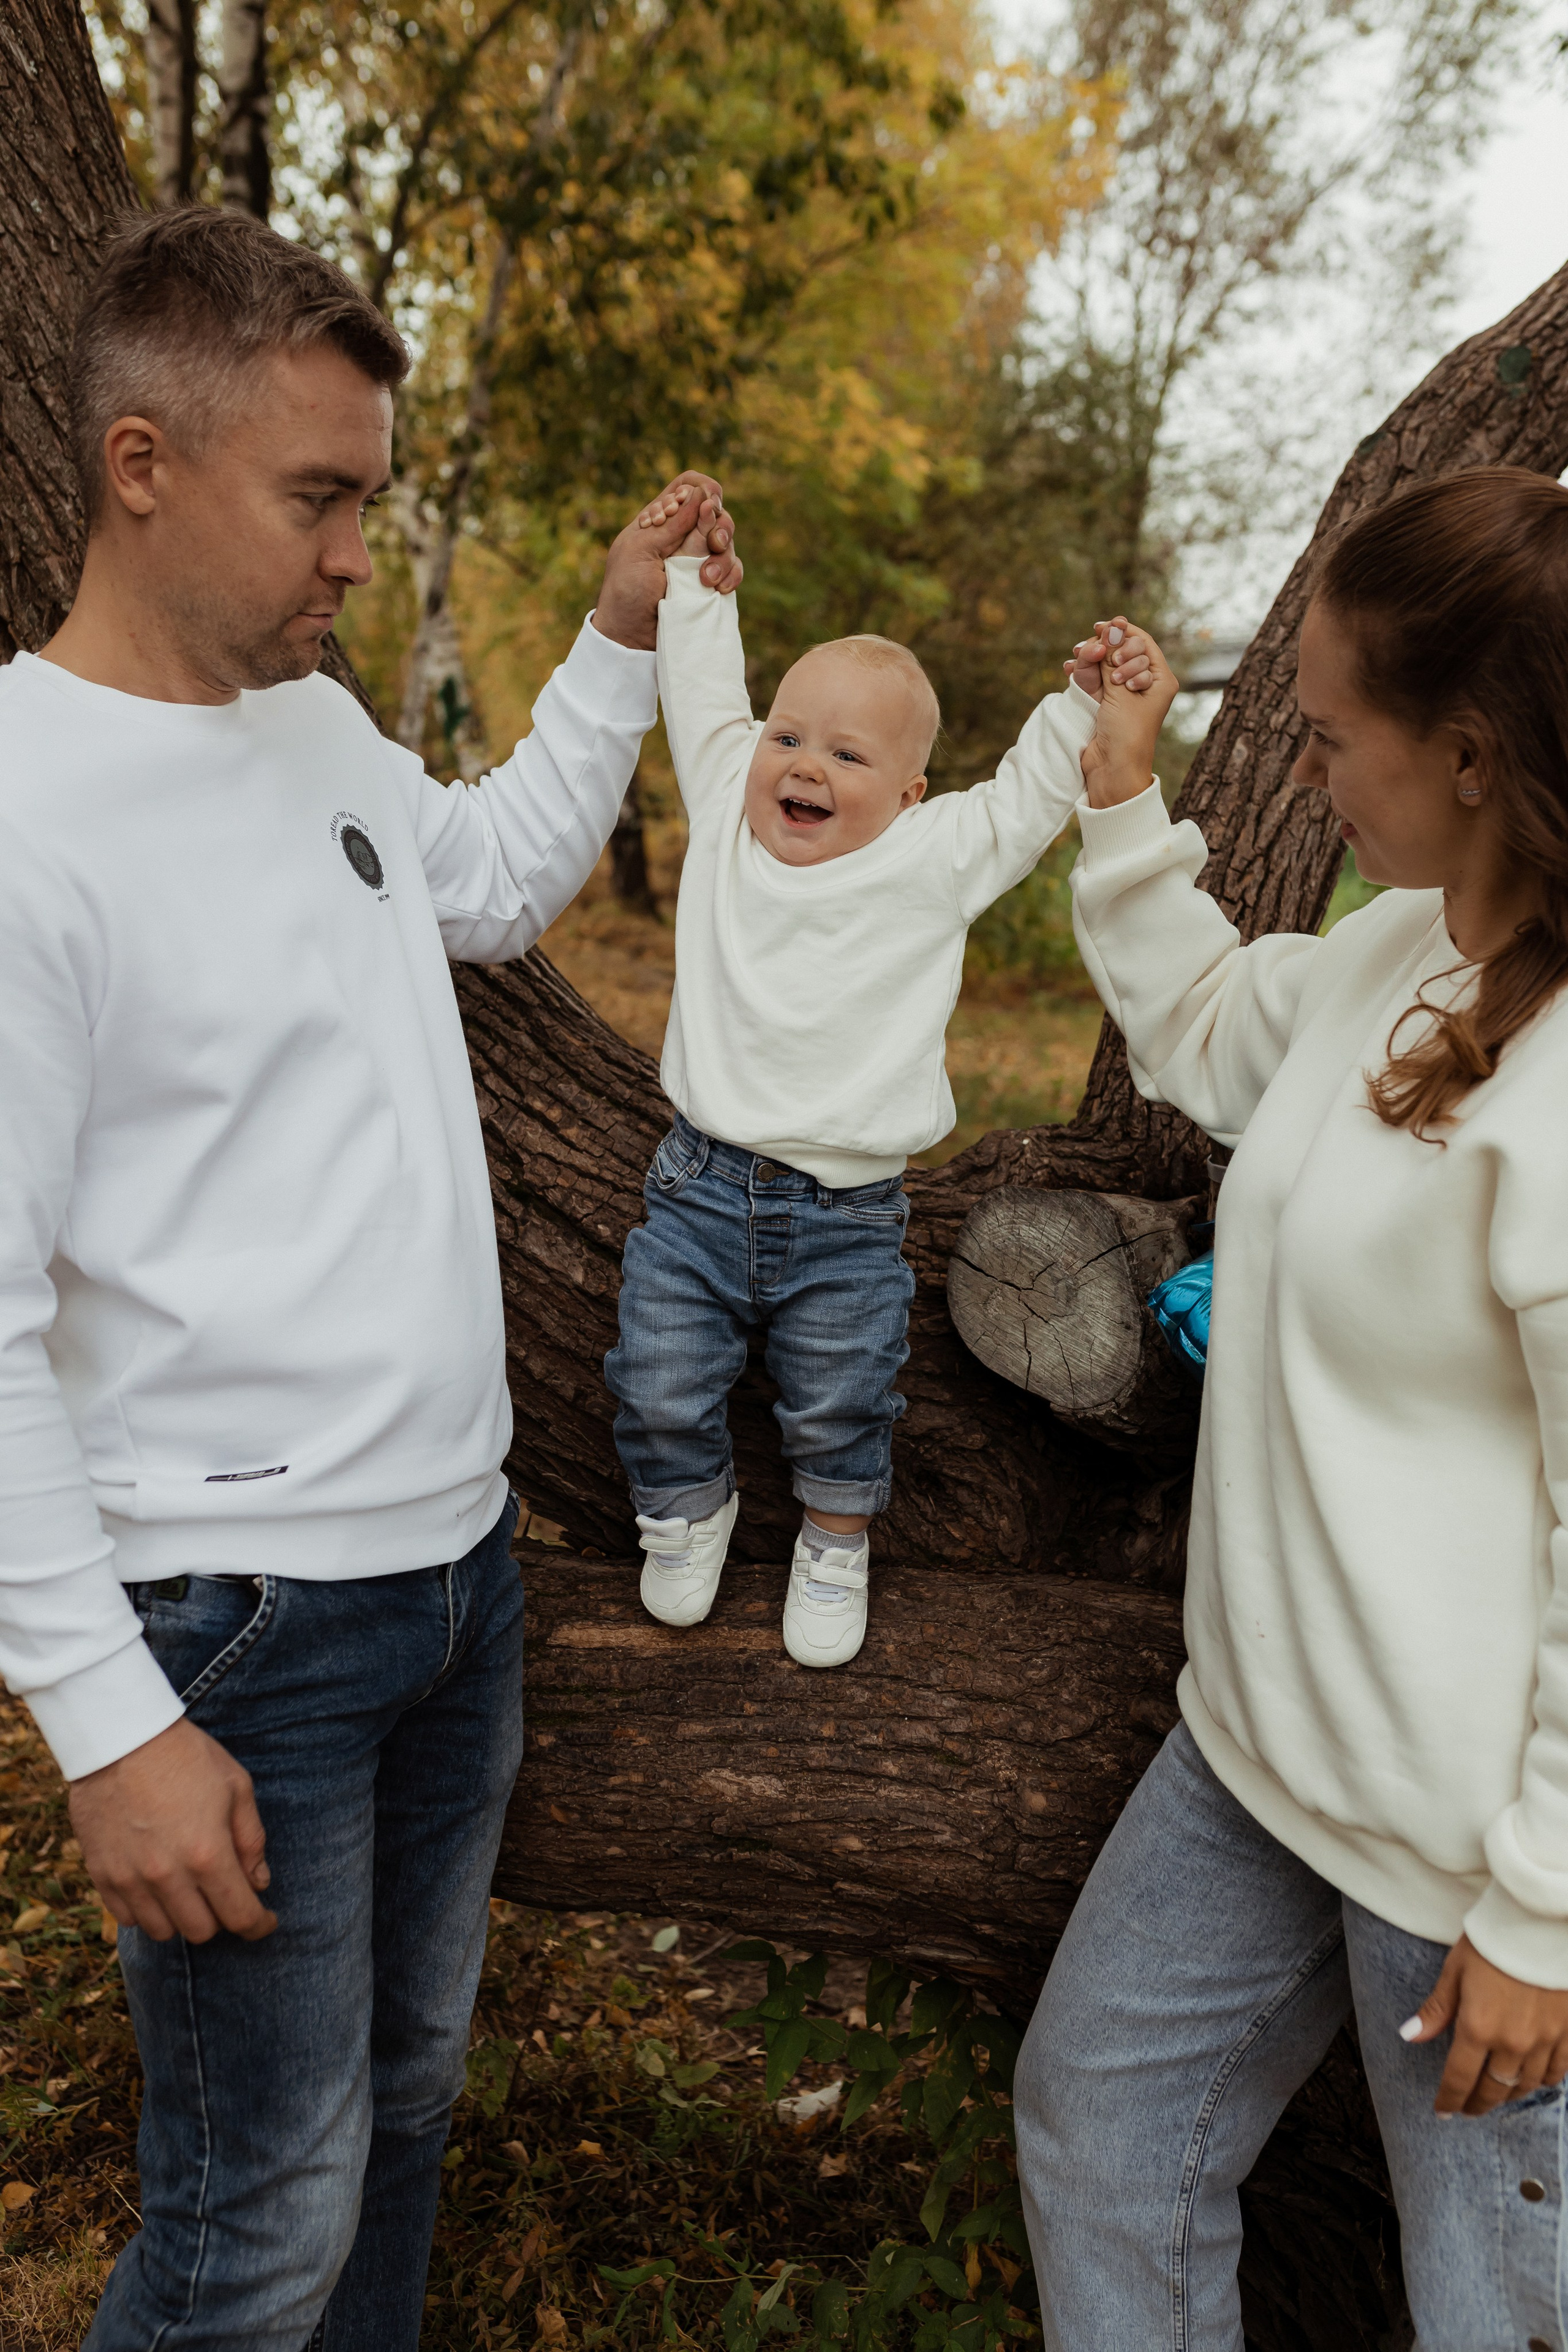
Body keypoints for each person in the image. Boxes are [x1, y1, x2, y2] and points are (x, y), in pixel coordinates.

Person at [0, 203, 740, 2350]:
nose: (350, 553)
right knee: (253, 2236)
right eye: (318, 497)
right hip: (241, 1639)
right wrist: (105, 1720)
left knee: (399, 2121)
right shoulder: (28, 815)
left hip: (455, 1583)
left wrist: (613, 638)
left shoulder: (311, 727)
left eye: (365, 500)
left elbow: (497, 884)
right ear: (143, 464)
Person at [1015, 467, 1568, 2351]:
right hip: (1256, 1763)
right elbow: (1211, 1022)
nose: (1308, 771)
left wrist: (1545, 1918)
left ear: (1474, 755)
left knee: (1496, 2313)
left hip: (1475, 1863)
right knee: (1101, 2133)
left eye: (1332, 736)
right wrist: (1117, 793)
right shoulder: (1403, 954)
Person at [603, 507, 1102, 1667]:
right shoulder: (732, 804)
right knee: (659, 1373)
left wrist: (1080, 698)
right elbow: (703, 692)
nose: (803, 766)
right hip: (697, 1192)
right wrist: (693, 580)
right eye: (790, 736)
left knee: (843, 1398)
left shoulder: (932, 861)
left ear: (914, 792)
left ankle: (835, 1542)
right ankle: (686, 1508)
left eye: (846, 754)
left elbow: (1029, 801)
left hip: (847, 1215)